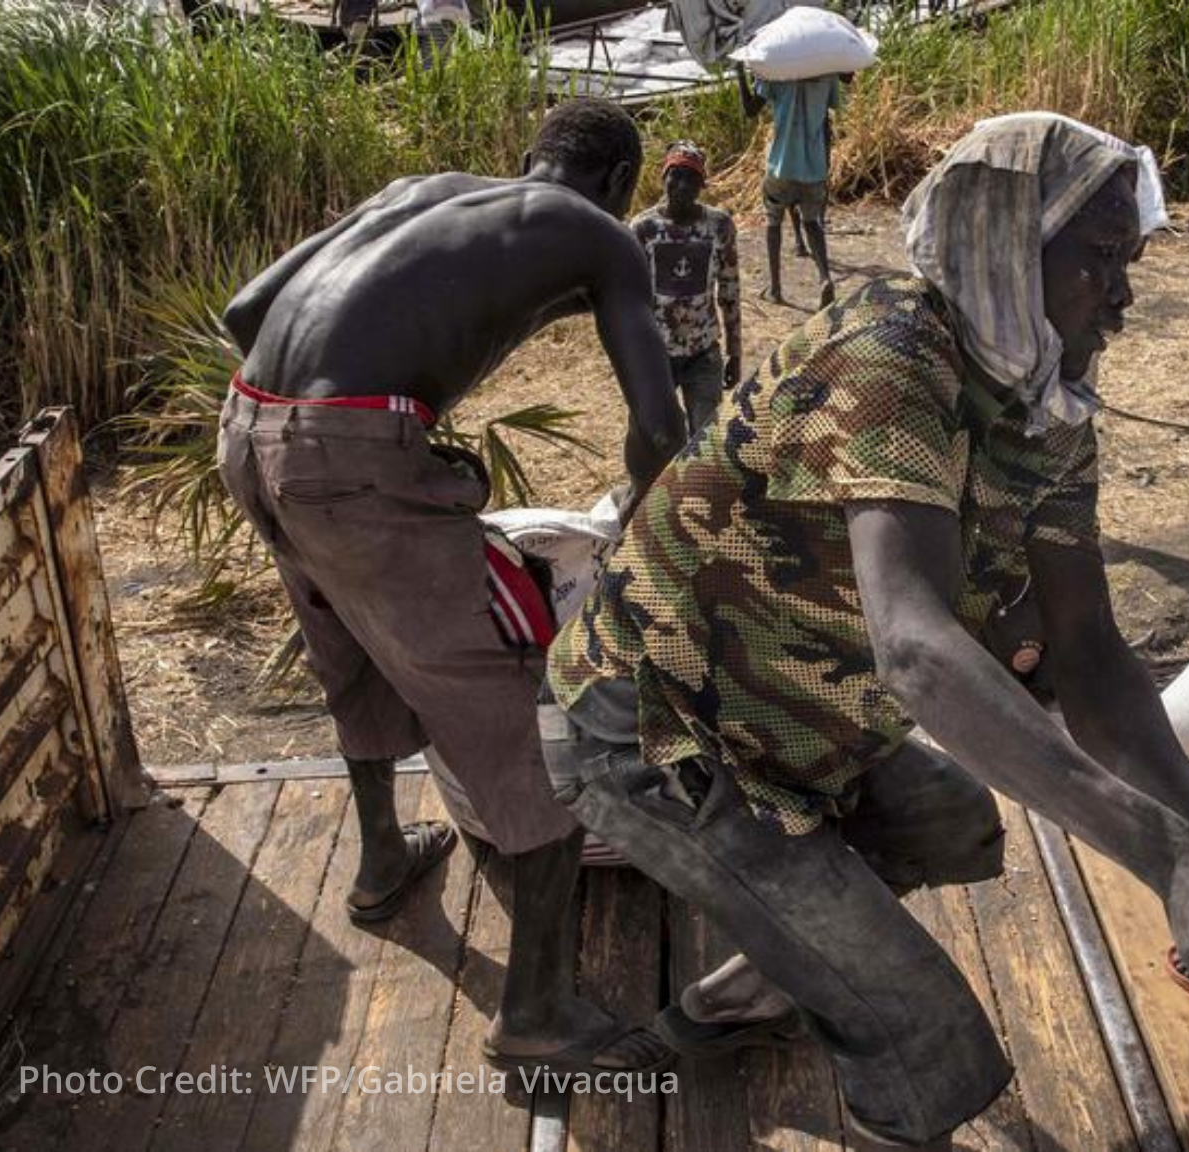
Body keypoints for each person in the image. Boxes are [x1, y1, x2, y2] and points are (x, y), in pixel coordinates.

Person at [544, 114, 1189, 1149]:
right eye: (1097, 261)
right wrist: (1169, 861)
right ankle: (835, 1001)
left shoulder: (1042, 406)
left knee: (949, 826)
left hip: (795, 720)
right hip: (655, 727)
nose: (1124, 300)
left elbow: (1090, 656)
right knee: (927, 1046)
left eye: (1126, 262)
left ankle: (757, 986)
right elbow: (913, 650)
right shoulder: (892, 357)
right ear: (1003, 246)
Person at [216, 98, 685, 1076]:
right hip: (348, 457)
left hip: (249, 430)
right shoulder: (602, 235)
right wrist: (658, 535)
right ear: (617, 187)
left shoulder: (418, 190)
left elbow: (243, 316)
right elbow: (654, 427)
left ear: (526, 160)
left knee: (354, 654)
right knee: (520, 721)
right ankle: (538, 1013)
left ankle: (384, 863)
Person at [631, 141, 744, 436]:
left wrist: (735, 351)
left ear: (702, 185)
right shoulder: (643, 229)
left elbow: (730, 291)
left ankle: (699, 484)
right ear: (663, 178)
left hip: (703, 352)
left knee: (705, 438)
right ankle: (647, 483)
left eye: (692, 178)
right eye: (676, 175)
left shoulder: (719, 226)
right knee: (654, 434)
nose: (682, 185)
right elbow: (631, 300)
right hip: (656, 354)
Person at [739, 67, 844, 308]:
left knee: (773, 221)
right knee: (812, 222)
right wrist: (824, 163)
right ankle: (824, 277)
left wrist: (739, 73)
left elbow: (750, 110)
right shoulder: (826, 72)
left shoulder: (777, 69)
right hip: (814, 166)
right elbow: (827, 119)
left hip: (782, 165)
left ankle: (775, 288)